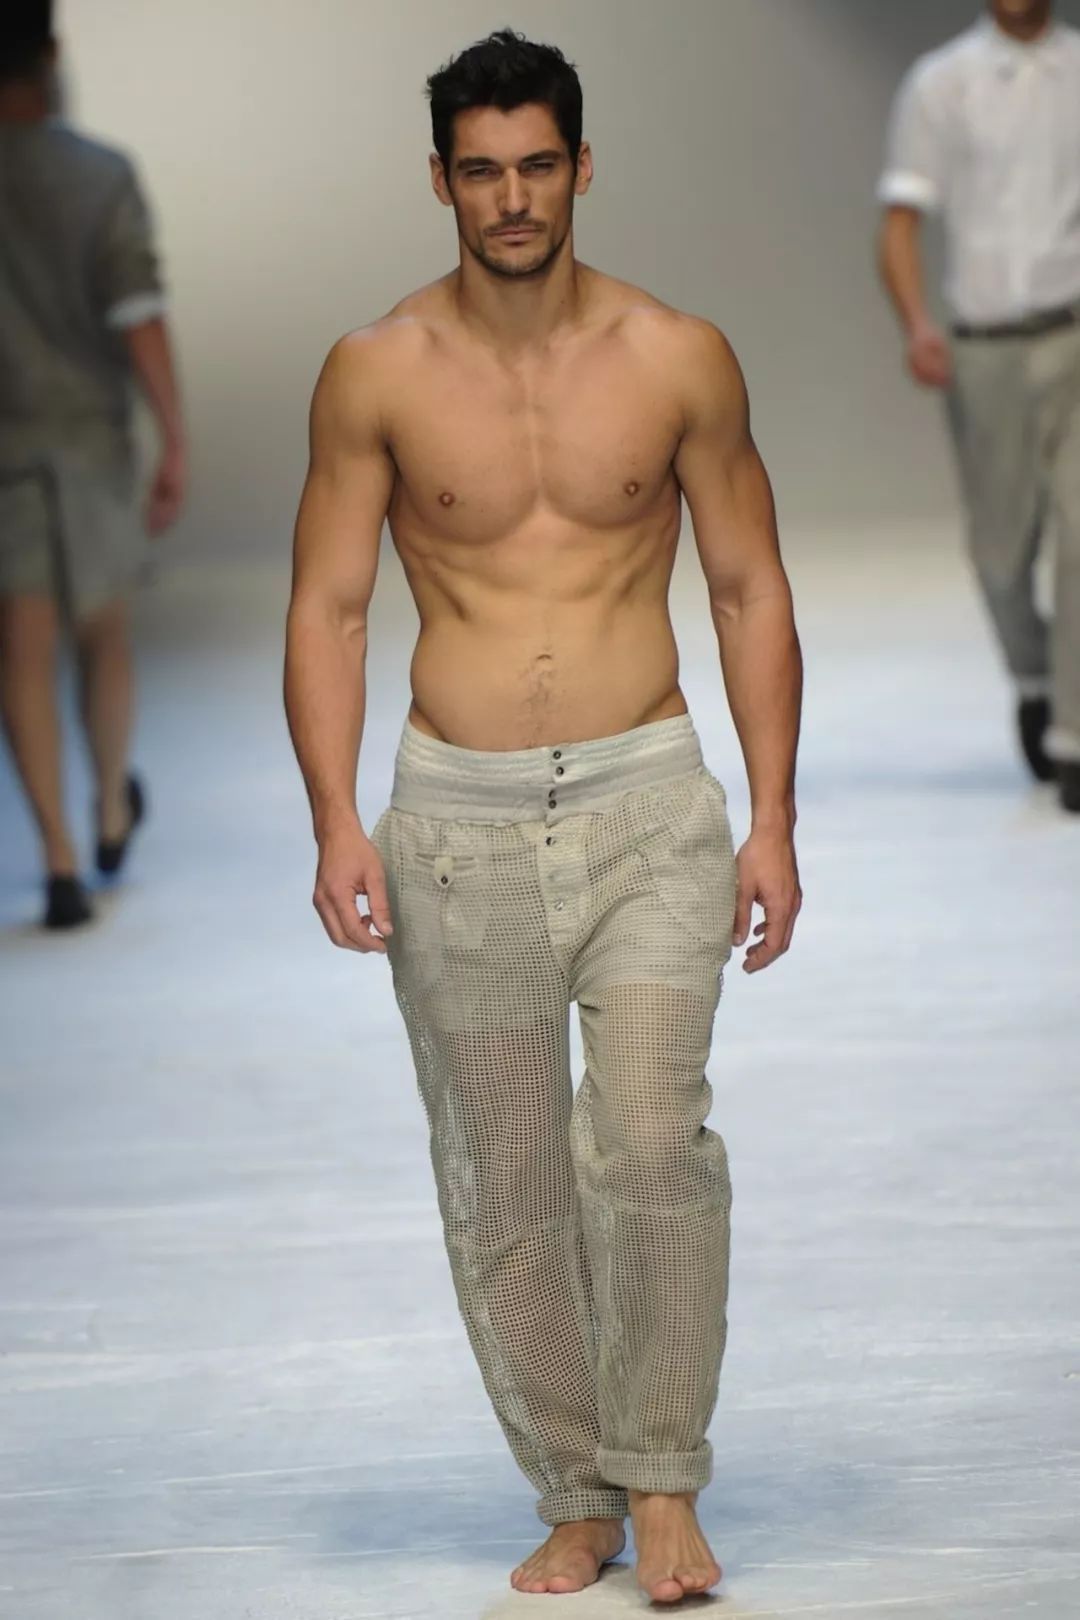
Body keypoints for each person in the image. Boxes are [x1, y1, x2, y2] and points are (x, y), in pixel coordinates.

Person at [284, 29, 802, 1605]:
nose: (512, 199)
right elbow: (329, 606)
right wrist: (335, 818)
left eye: (536, 167)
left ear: (583, 167)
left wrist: (773, 816)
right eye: (481, 171)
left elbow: (746, 586)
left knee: (648, 1144)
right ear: (440, 180)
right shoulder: (376, 371)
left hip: (648, 797)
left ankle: (661, 1479)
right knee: (503, 1183)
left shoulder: (677, 356)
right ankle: (575, 1488)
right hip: (457, 824)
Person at [0, 1, 187, 928]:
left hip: (5, 454)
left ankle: (60, 861)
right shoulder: (100, 176)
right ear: (50, 51)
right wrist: (174, 435)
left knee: (22, 650)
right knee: (104, 633)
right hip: (90, 442)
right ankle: (111, 807)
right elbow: (137, 314)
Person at [877, 0, 1080, 813]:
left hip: (1075, 334)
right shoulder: (943, 83)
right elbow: (900, 221)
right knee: (1000, 556)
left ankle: (1074, 736)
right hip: (984, 348)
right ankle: (1036, 678)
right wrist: (918, 324)